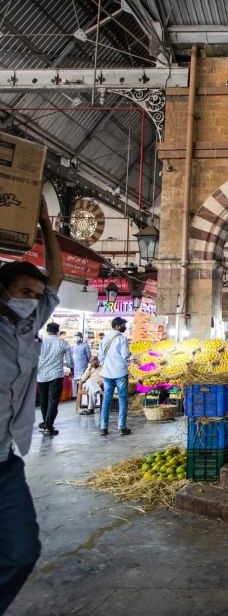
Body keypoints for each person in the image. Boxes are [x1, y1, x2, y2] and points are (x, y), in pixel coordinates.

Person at [0, 196, 63, 614]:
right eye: (23, 292)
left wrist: (44, 221)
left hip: (4, 462)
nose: (31, 300)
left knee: (22, 552)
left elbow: (55, 278)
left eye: (35, 296)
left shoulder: (28, 328)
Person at [36, 321, 73, 436]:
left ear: (47, 331)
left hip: (41, 376)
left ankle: (46, 423)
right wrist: (71, 368)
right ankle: (48, 426)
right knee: (53, 402)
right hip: (56, 376)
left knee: (43, 400)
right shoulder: (63, 343)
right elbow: (70, 362)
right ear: (57, 331)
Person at [98, 316, 131, 436]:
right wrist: (130, 354)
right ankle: (121, 427)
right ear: (117, 326)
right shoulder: (122, 339)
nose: (124, 327)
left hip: (107, 373)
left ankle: (103, 428)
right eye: (123, 325)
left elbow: (101, 357)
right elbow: (125, 355)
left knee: (106, 400)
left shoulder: (105, 338)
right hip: (120, 373)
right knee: (122, 400)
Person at [71, 332, 91, 397]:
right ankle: (74, 395)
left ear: (81, 337)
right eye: (75, 336)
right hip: (75, 366)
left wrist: (87, 363)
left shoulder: (85, 345)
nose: (76, 337)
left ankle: (83, 396)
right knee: (74, 380)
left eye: (78, 336)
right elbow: (71, 355)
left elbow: (89, 356)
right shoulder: (73, 346)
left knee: (83, 380)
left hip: (83, 366)